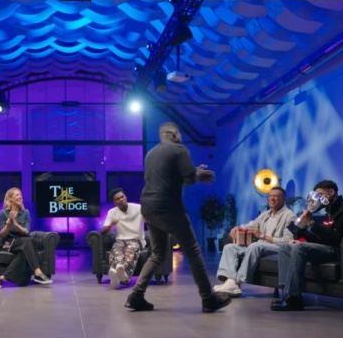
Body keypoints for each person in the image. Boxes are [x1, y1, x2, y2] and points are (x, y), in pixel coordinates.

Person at [125, 122, 231, 312]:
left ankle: (136, 295)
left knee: (157, 253)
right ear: (174, 134)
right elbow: (189, 178)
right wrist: (198, 174)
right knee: (192, 250)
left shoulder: (151, 154)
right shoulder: (179, 150)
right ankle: (208, 298)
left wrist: (193, 172)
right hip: (168, 206)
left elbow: (169, 177)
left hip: (148, 206)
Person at [272, 180, 343, 311]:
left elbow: (337, 239)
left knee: (299, 248)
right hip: (329, 248)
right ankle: (285, 293)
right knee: (286, 247)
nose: (316, 199)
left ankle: (294, 298)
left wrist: (313, 224)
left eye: (320, 194)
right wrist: (302, 230)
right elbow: (322, 240)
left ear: (331, 192)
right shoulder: (328, 212)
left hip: (341, 252)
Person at [214, 186, 296, 297]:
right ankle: (230, 281)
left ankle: (237, 281)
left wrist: (263, 236)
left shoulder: (290, 216)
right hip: (262, 247)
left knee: (256, 245)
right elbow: (252, 224)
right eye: (270, 196)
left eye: (276, 196)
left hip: (278, 248)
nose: (272, 199)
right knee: (229, 247)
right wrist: (238, 227)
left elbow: (287, 241)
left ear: (283, 199)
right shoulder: (265, 214)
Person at [0, 187, 53, 289]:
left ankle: (2, 278)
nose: (20, 197)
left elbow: (26, 231)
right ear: (10, 199)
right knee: (27, 241)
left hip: (23, 242)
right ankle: (37, 271)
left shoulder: (25, 213)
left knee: (24, 249)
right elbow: (2, 235)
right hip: (9, 243)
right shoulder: (3, 213)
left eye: (20, 195)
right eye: (17, 195)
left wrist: (15, 224)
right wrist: (8, 225)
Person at [101, 188, 146, 288]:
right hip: (120, 240)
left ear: (125, 197)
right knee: (116, 252)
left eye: (122, 197)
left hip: (136, 239)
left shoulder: (138, 208)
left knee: (130, 252)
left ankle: (117, 274)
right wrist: (111, 225)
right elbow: (103, 231)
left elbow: (149, 219)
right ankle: (121, 277)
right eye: (117, 199)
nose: (121, 200)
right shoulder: (112, 212)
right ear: (114, 202)